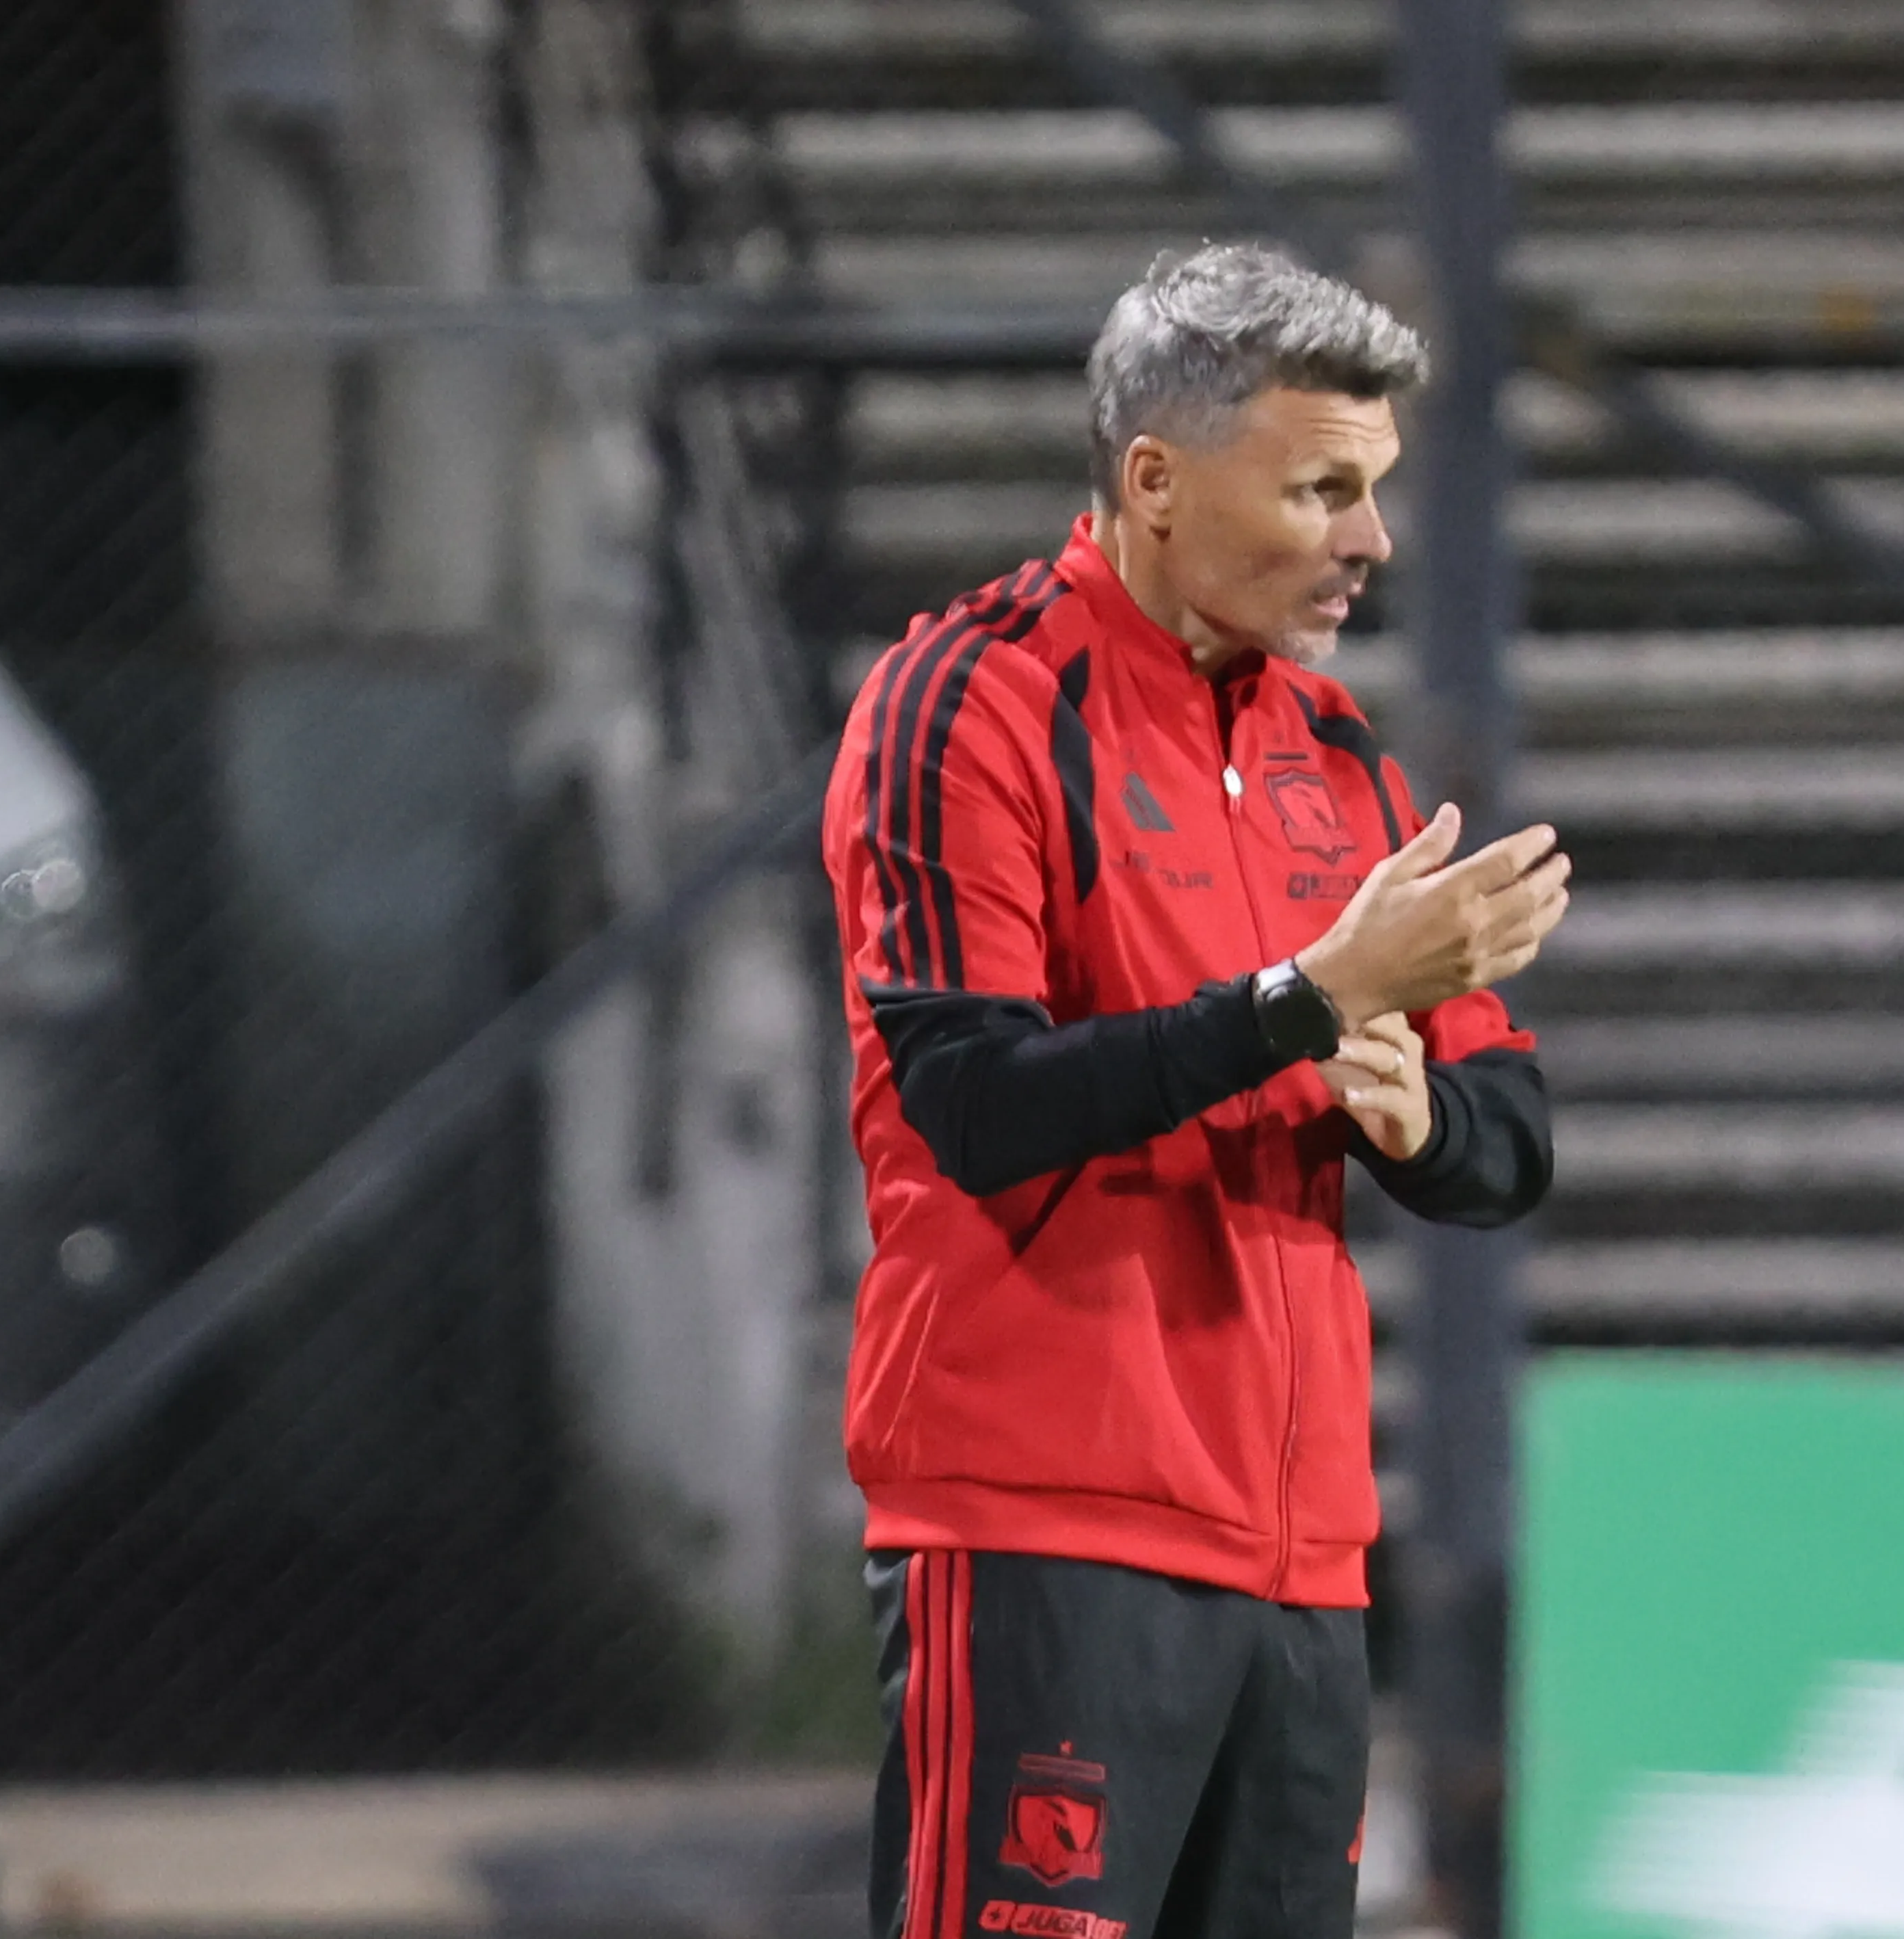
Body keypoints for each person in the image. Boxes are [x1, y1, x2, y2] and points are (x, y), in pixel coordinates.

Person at [820, 241, 1566, 1939]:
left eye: (1370, 491)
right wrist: (1307, 1002)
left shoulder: (1338, 755)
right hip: (1040, 1522)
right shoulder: (973, 700)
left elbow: (1506, 1145)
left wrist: (1415, 1111)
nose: (1367, 539)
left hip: (1300, 1560)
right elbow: (976, 1106)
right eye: (1318, 488)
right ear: (1152, 479)